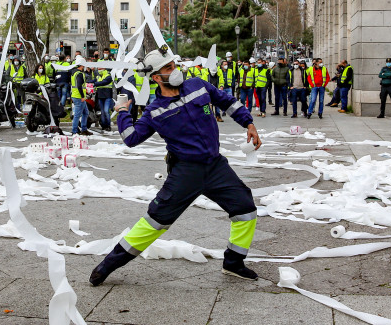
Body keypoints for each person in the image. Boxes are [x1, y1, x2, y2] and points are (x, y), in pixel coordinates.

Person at [90, 47, 262, 286]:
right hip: (185, 173)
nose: (175, 70)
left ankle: (233, 263)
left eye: (174, 65)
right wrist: (122, 112)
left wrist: (249, 123)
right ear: (156, 77)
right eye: (168, 68)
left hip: (216, 166)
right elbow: (131, 138)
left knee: (245, 209)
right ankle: (107, 265)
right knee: (155, 222)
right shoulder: (154, 111)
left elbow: (228, 102)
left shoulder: (198, 85)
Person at [71, 57, 92, 136]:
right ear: (82, 65)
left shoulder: (74, 72)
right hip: (79, 97)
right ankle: (75, 130)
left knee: (85, 113)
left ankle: (83, 129)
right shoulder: (79, 74)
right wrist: (83, 96)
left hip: (76, 96)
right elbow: (79, 86)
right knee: (77, 115)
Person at [94, 65, 115, 131]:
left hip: (107, 95)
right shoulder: (98, 76)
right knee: (102, 112)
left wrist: (95, 84)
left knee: (106, 111)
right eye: (98, 68)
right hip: (100, 96)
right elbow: (93, 80)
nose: (99, 70)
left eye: (100, 68)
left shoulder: (108, 75)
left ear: (104, 68)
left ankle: (108, 125)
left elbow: (104, 82)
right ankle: (103, 125)